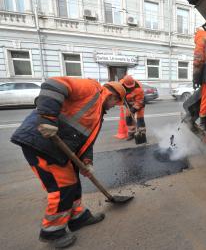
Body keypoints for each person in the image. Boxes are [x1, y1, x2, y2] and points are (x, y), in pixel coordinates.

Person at [10, 77, 126, 249]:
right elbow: (55, 84)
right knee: (62, 188)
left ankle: (78, 217)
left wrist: (86, 161)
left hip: (60, 149)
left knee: (74, 183)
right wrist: (48, 118)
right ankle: (52, 232)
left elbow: (87, 141)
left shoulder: (97, 113)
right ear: (113, 96)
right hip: (41, 142)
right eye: (116, 103)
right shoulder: (91, 88)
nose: (114, 107)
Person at [119, 75, 146, 141]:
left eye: (131, 87)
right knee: (128, 118)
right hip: (129, 103)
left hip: (139, 103)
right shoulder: (120, 85)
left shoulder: (138, 88)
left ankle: (142, 134)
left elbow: (139, 101)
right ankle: (131, 134)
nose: (130, 88)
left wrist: (133, 109)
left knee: (140, 119)